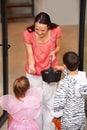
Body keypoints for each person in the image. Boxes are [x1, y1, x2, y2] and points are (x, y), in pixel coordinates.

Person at [23, 12, 62, 130]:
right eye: (37, 29)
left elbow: (58, 46)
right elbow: (30, 55)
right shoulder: (27, 34)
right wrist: (31, 65)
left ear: (49, 27)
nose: (39, 33)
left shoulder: (56, 30)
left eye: (43, 30)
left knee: (49, 104)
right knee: (35, 105)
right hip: (33, 74)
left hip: (50, 74)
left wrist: (54, 52)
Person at [51, 51, 87, 130]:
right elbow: (73, 77)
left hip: (68, 121)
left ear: (65, 65)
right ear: (78, 63)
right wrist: (63, 68)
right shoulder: (83, 78)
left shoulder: (63, 84)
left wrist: (56, 115)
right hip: (80, 118)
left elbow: (59, 103)